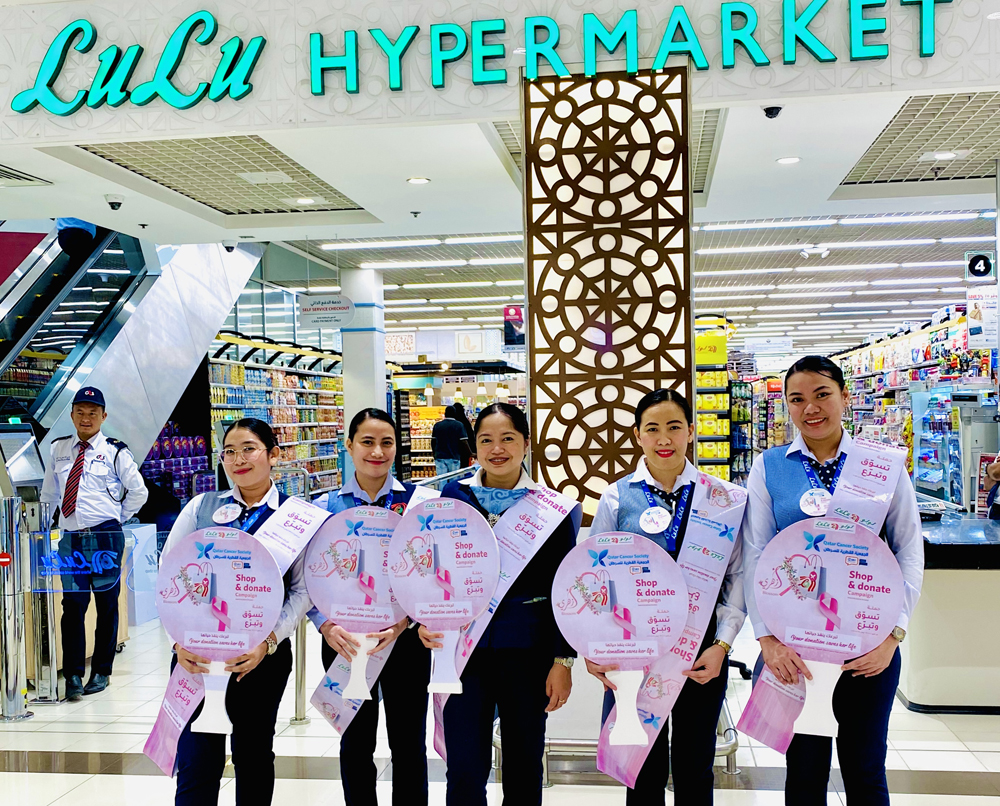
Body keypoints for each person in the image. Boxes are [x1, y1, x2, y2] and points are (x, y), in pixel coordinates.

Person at [743, 356, 924, 806]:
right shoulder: (769, 467)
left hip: (868, 646)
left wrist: (893, 635)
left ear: (845, 397)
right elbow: (755, 555)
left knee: (865, 769)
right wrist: (766, 640)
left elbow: (908, 550)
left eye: (822, 395)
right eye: (797, 399)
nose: (811, 409)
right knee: (804, 771)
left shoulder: (881, 464)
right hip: (794, 648)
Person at [588, 389, 745, 805]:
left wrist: (722, 644)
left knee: (695, 766)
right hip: (632, 649)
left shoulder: (722, 498)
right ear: (637, 435)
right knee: (641, 768)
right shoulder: (617, 497)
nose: (664, 438)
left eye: (674, 427)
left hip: (701, 650)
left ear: (691, 432)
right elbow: (593, 577)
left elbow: (736, 576)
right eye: (652, 429)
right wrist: (593, 646)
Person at [419, 403, 579, 806]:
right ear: (474, 448)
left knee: (525, 763)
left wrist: (563, 661)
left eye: (508, 438)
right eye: (486, 440)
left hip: (528, 652)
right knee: (465, 766)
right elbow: (428, 565)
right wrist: (424, 618)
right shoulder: (453, 497)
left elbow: (565, 589)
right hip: (463, 652)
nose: (498, 449)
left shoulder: (552, 509)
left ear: (526, 443)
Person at [164, 418, 310, 806]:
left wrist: (269, 641)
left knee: (254, 755)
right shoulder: (201, 507)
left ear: (274, 454)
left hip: (260, 661)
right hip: (197, 656)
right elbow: (169, 574)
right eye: (229, 451)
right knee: (197, 761)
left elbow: (302, 589)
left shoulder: (295, 518)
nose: (238, 459)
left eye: (249, 449)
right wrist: (179, 643)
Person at [310, 408, 434, 806]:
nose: (377, 451)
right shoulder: (324, 506)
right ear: (349, 446)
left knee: (408, 743)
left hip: (405, 643)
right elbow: (310, 578)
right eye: (367, 442)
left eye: (386, 443)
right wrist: (326, 626)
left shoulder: (419, 503)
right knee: (355, 741)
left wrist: (404, 623)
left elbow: (432, 572)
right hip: (345, 642)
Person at [40, 386, 148, 701]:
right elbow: (49, 495)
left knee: (106, 603)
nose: (86, 418)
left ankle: (101, 670)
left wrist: (118, 518)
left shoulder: (115, 451)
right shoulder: (59, 449)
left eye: (92, 413)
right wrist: (46, 530)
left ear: (103, 416)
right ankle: (72, 674)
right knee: (72, 606)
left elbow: (138, 491)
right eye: (80, 412)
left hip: (105, 537)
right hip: (71, 540)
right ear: (72, 414)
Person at [431, 404, 471, 476]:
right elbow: (463, 442)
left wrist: (435, 454)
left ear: (445, 414)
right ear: (454, 414)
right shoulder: (459, 425)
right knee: (453, 480)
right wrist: (470, 453)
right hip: (454, 457)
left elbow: (433, 442)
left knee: (441, 480)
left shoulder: (437, 425)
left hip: (440, 457)